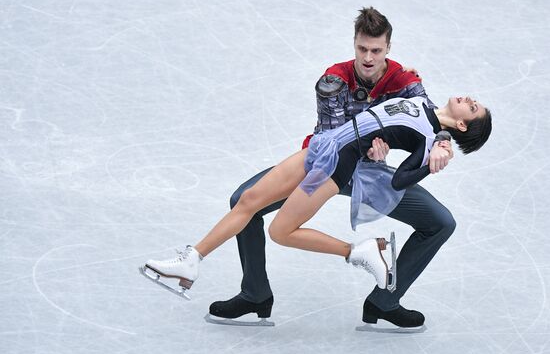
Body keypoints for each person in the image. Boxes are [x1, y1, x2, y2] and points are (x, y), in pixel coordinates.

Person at [142, 94, 492, 328]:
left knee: (280, 231)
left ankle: (361, 252)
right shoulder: (422, 99)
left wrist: (432, 162)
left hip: (338, 163)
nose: (471, 99)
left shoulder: (431, 139)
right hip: (325, 144)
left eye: (473, 109)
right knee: (249, 200)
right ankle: (192, 260)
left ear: (461, 126)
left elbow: (400, 179)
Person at [205, 7, 454, 328]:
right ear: (354, 44)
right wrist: (376, 145)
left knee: (441, 223)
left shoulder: (404, 80)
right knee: (243, 201)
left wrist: (444, 141)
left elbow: (433, 115)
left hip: (369, 175)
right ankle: (255, 294)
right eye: (362, 49)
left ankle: (385, 301)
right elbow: (336, 137)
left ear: (388, 49)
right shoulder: (334, 78)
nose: (368, 57)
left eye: (376, 51)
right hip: (325, 168)